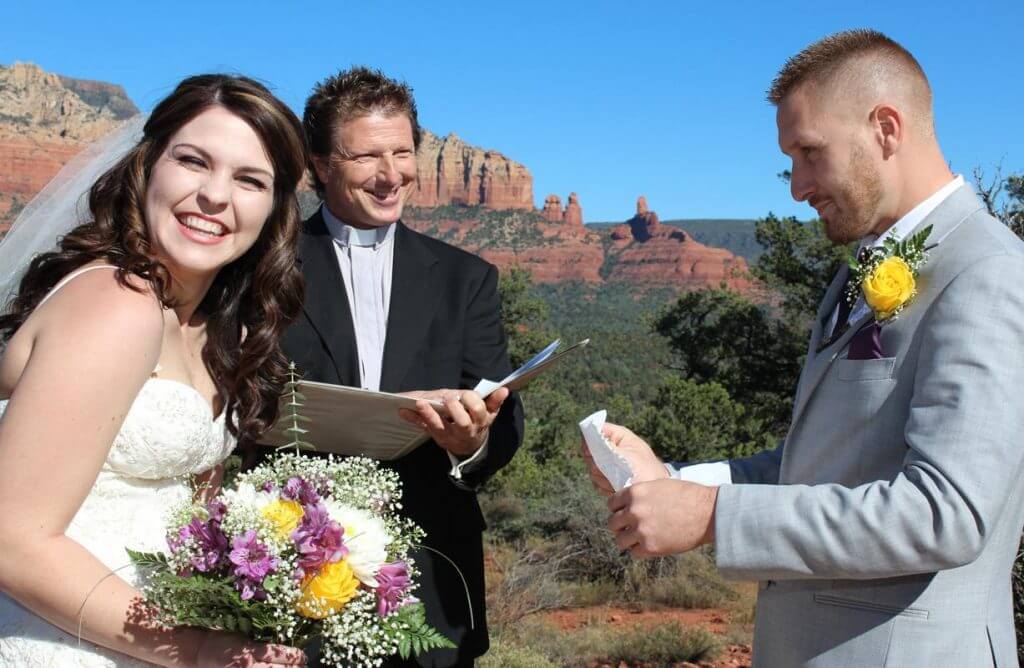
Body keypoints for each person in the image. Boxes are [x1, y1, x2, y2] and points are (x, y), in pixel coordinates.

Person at [585, 29, 1024, 666]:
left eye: (809, 153)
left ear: (886, 129)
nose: (796, 186)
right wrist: (672, 483)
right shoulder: (853, 274)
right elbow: (820, 463)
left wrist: (713, 517)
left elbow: (944, 512)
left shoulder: (988, 272)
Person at [0, 74, 309, 667]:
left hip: (140, 633)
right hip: (57, 641)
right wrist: (199, 650)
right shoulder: (118, 305)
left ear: (274, 210)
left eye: (249, 180)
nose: (215, 196)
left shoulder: (221, 328)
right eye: (193, 162)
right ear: (148, 166)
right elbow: (13, 541)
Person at [281, 66, 524, 666]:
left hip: (432, 581)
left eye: (404, 153)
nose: (392, 175)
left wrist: (471, 442)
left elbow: (506, 417)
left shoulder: (467, 279)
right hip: (288, 568)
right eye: (367, 155)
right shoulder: (267, 265)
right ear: (319, 163)